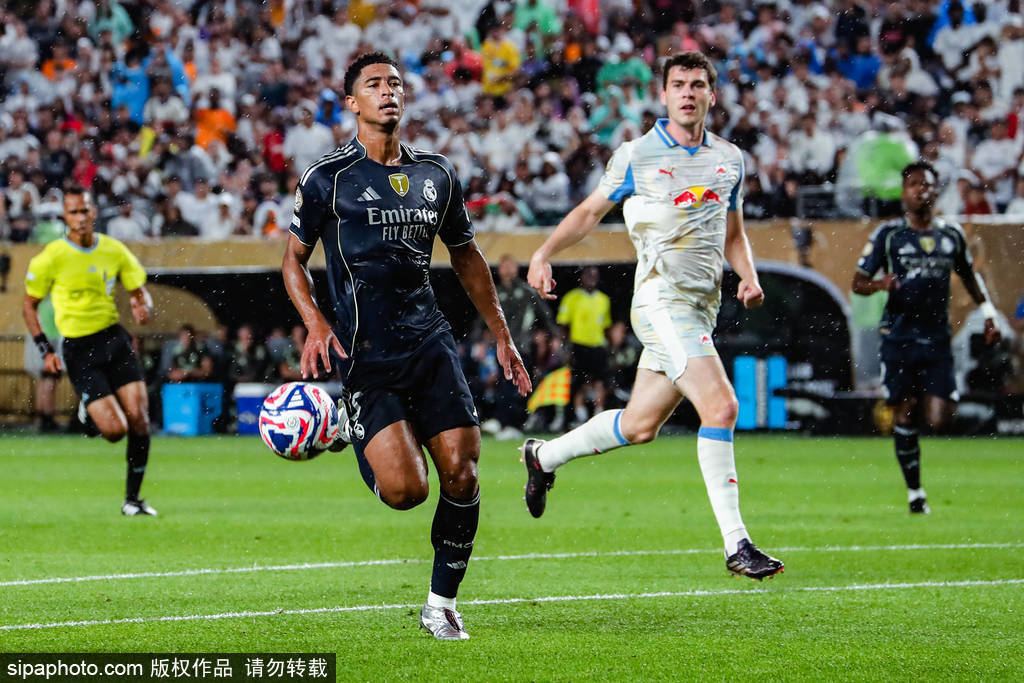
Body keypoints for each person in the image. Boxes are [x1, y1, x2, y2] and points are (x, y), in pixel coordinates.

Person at [282, 52, 531, 640]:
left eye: (395, 82)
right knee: (406, 492)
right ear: (352, 103)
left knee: (463, 474)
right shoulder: (327, 178)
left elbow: (467, 257)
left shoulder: (436, 174)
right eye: (374, 84)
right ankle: (351, 430)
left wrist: (502, 334)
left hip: (429, 342)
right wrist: (315, 322)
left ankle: (440, 605)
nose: (388, 91)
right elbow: (293, 262)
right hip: (366, 355)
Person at [521, 51, 784, 581]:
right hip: (660, 302)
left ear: (712, 95)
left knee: (639, 425)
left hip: (701, 309)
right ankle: (737, 543)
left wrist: (748, 276)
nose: (688, 93)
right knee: (722, 406)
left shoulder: (729, 159)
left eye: (698, 84)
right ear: (663, 95)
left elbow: (734, 235)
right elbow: (590, 212)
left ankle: (543, 457)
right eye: (678, 84)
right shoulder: (637, 155)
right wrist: (544, 252)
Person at [852, 161, 1001, 514]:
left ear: (936, 191)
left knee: (941, 418)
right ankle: (915, 493)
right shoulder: (889, 235)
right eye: (914, 184)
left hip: (936, 339)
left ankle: (915, 413)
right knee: (905, 412)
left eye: (928, 184)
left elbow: (969, 276)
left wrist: (989, 313)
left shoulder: (952, 235)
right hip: (898, 337)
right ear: (904, 193)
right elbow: (858, 282)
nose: (922, 189)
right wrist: (880, 284)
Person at [23, 185, 157, 516]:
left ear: (94, 212)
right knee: (115, 431)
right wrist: (45, 350)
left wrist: (143, 305)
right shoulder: (52, 257)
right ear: (65, 217)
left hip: (114, 339)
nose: (80, 218)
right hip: (78, 348)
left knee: (140, 420)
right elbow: (29, 305)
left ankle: (133, 500)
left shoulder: (113, 250)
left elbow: (140, 291)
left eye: (85, 211)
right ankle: (90, 412)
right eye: (73, 212)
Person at [558, 265, 612, 427]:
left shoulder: (603, 299)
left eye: (594, 276)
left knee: (600, 382)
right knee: (579, 382)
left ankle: (599, 415)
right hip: (579, 345)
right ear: (581, 277)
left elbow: (606, 325)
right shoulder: (572, 298)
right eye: (588, 275)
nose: (591, 279)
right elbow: (564, 325)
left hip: (598, 345)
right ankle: (580, 416)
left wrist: (610, 347)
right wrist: (566, 348)